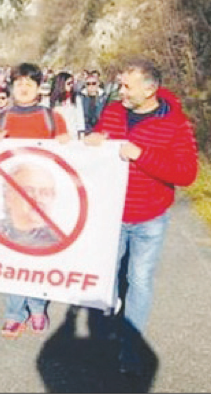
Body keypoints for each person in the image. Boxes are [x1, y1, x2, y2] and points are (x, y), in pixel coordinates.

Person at [84, 59, 197, 374]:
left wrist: (141, 155)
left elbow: (187, 173)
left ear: (149, 90)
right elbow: (98, 148)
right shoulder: (113, 112)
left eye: (126, 86)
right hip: (112, 215)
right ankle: (108, 321)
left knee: (140, 280)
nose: (119, 91)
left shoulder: (176, 124)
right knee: (108, 275)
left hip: (149, 219)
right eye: (120, 84)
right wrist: (91, 141)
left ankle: (130, 347)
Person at [0, 63, 69, 339]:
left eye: (29, 83)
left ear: (38, 88)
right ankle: (13, 312)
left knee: (38, 256)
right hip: (13, 201)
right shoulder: (0, 119)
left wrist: (67, 143)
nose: (23, 88)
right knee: (13, 255)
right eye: (19, 83)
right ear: (11, 87)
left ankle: (37, 306)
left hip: (41, 204)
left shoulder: (52, 118)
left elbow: (67, 158)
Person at [0, 163, 58, 248]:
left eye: (45, 192)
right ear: (8, 197)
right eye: (29, 191)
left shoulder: (57, 242)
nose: (38, 199)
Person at [50, 72, 86, 139]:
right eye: (69, 83)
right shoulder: (52, 100)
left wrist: (81, 134)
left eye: (72, 83)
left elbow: (80, 118)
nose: (71, 85)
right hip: (57, 136)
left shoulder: (75, 98)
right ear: (61, 84)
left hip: (72, 135)